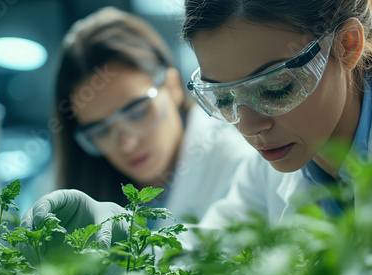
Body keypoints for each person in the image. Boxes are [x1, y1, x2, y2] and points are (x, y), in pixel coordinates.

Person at [22, 0, 372, 275]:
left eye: (275, 87)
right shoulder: (266, 174)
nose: (249, 126)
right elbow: (200, 258)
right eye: (224, 98)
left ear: (348, 45)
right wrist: (111, 234)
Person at [47, 6, 256, 232]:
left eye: (137, 112)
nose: (126, 143)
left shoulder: (239, 163)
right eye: (100, 131)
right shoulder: (93, 195)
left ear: (173, 86)